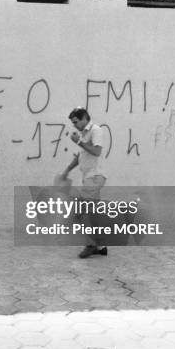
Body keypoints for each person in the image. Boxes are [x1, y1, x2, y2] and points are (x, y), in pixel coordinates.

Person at [59, 107, 107, 258]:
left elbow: (97, 151)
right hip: (89, 178)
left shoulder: (96, 130)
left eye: (76, 122)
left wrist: (79, 141)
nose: (74, 125)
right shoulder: (84, 133)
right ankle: (101, 247)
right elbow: (82, 155)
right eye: (73, 123)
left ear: (85, 118)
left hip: (95, 177)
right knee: (93, 214)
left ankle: (91, 245)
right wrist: (67, 169)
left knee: (79, 212)